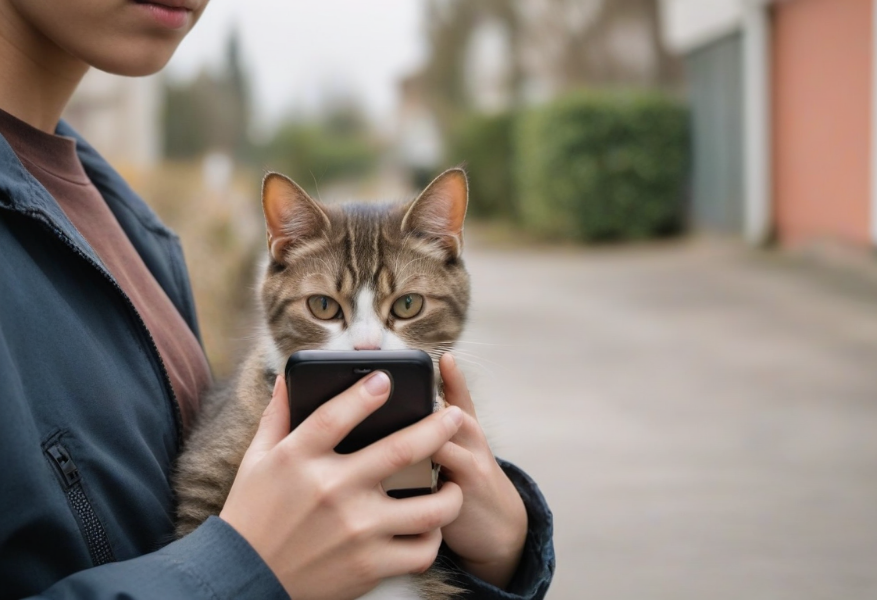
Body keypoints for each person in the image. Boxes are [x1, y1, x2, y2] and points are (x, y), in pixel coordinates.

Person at [0, 1, 554, 599]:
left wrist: (500, 552)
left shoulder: (132, 227)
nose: (367, 343)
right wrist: (240, 570)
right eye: (327, 311)